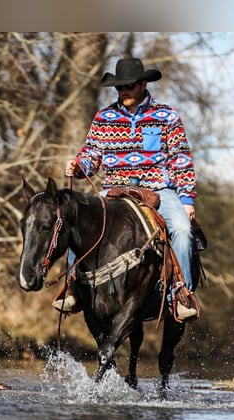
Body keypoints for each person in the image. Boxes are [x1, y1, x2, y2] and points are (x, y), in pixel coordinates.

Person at [55, 57, 199, 321]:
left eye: (129, 85)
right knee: (77, 216)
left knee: (181, 228)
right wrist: (78, 166)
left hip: (159, 190)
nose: (124, 91)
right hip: (113, 190)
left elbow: (181, 159)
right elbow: (91, 156)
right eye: (120, 86)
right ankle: (74, 286)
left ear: (143, 84)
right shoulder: (104, 118)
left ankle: (180, 293)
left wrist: (187, 198)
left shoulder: (166, 116)